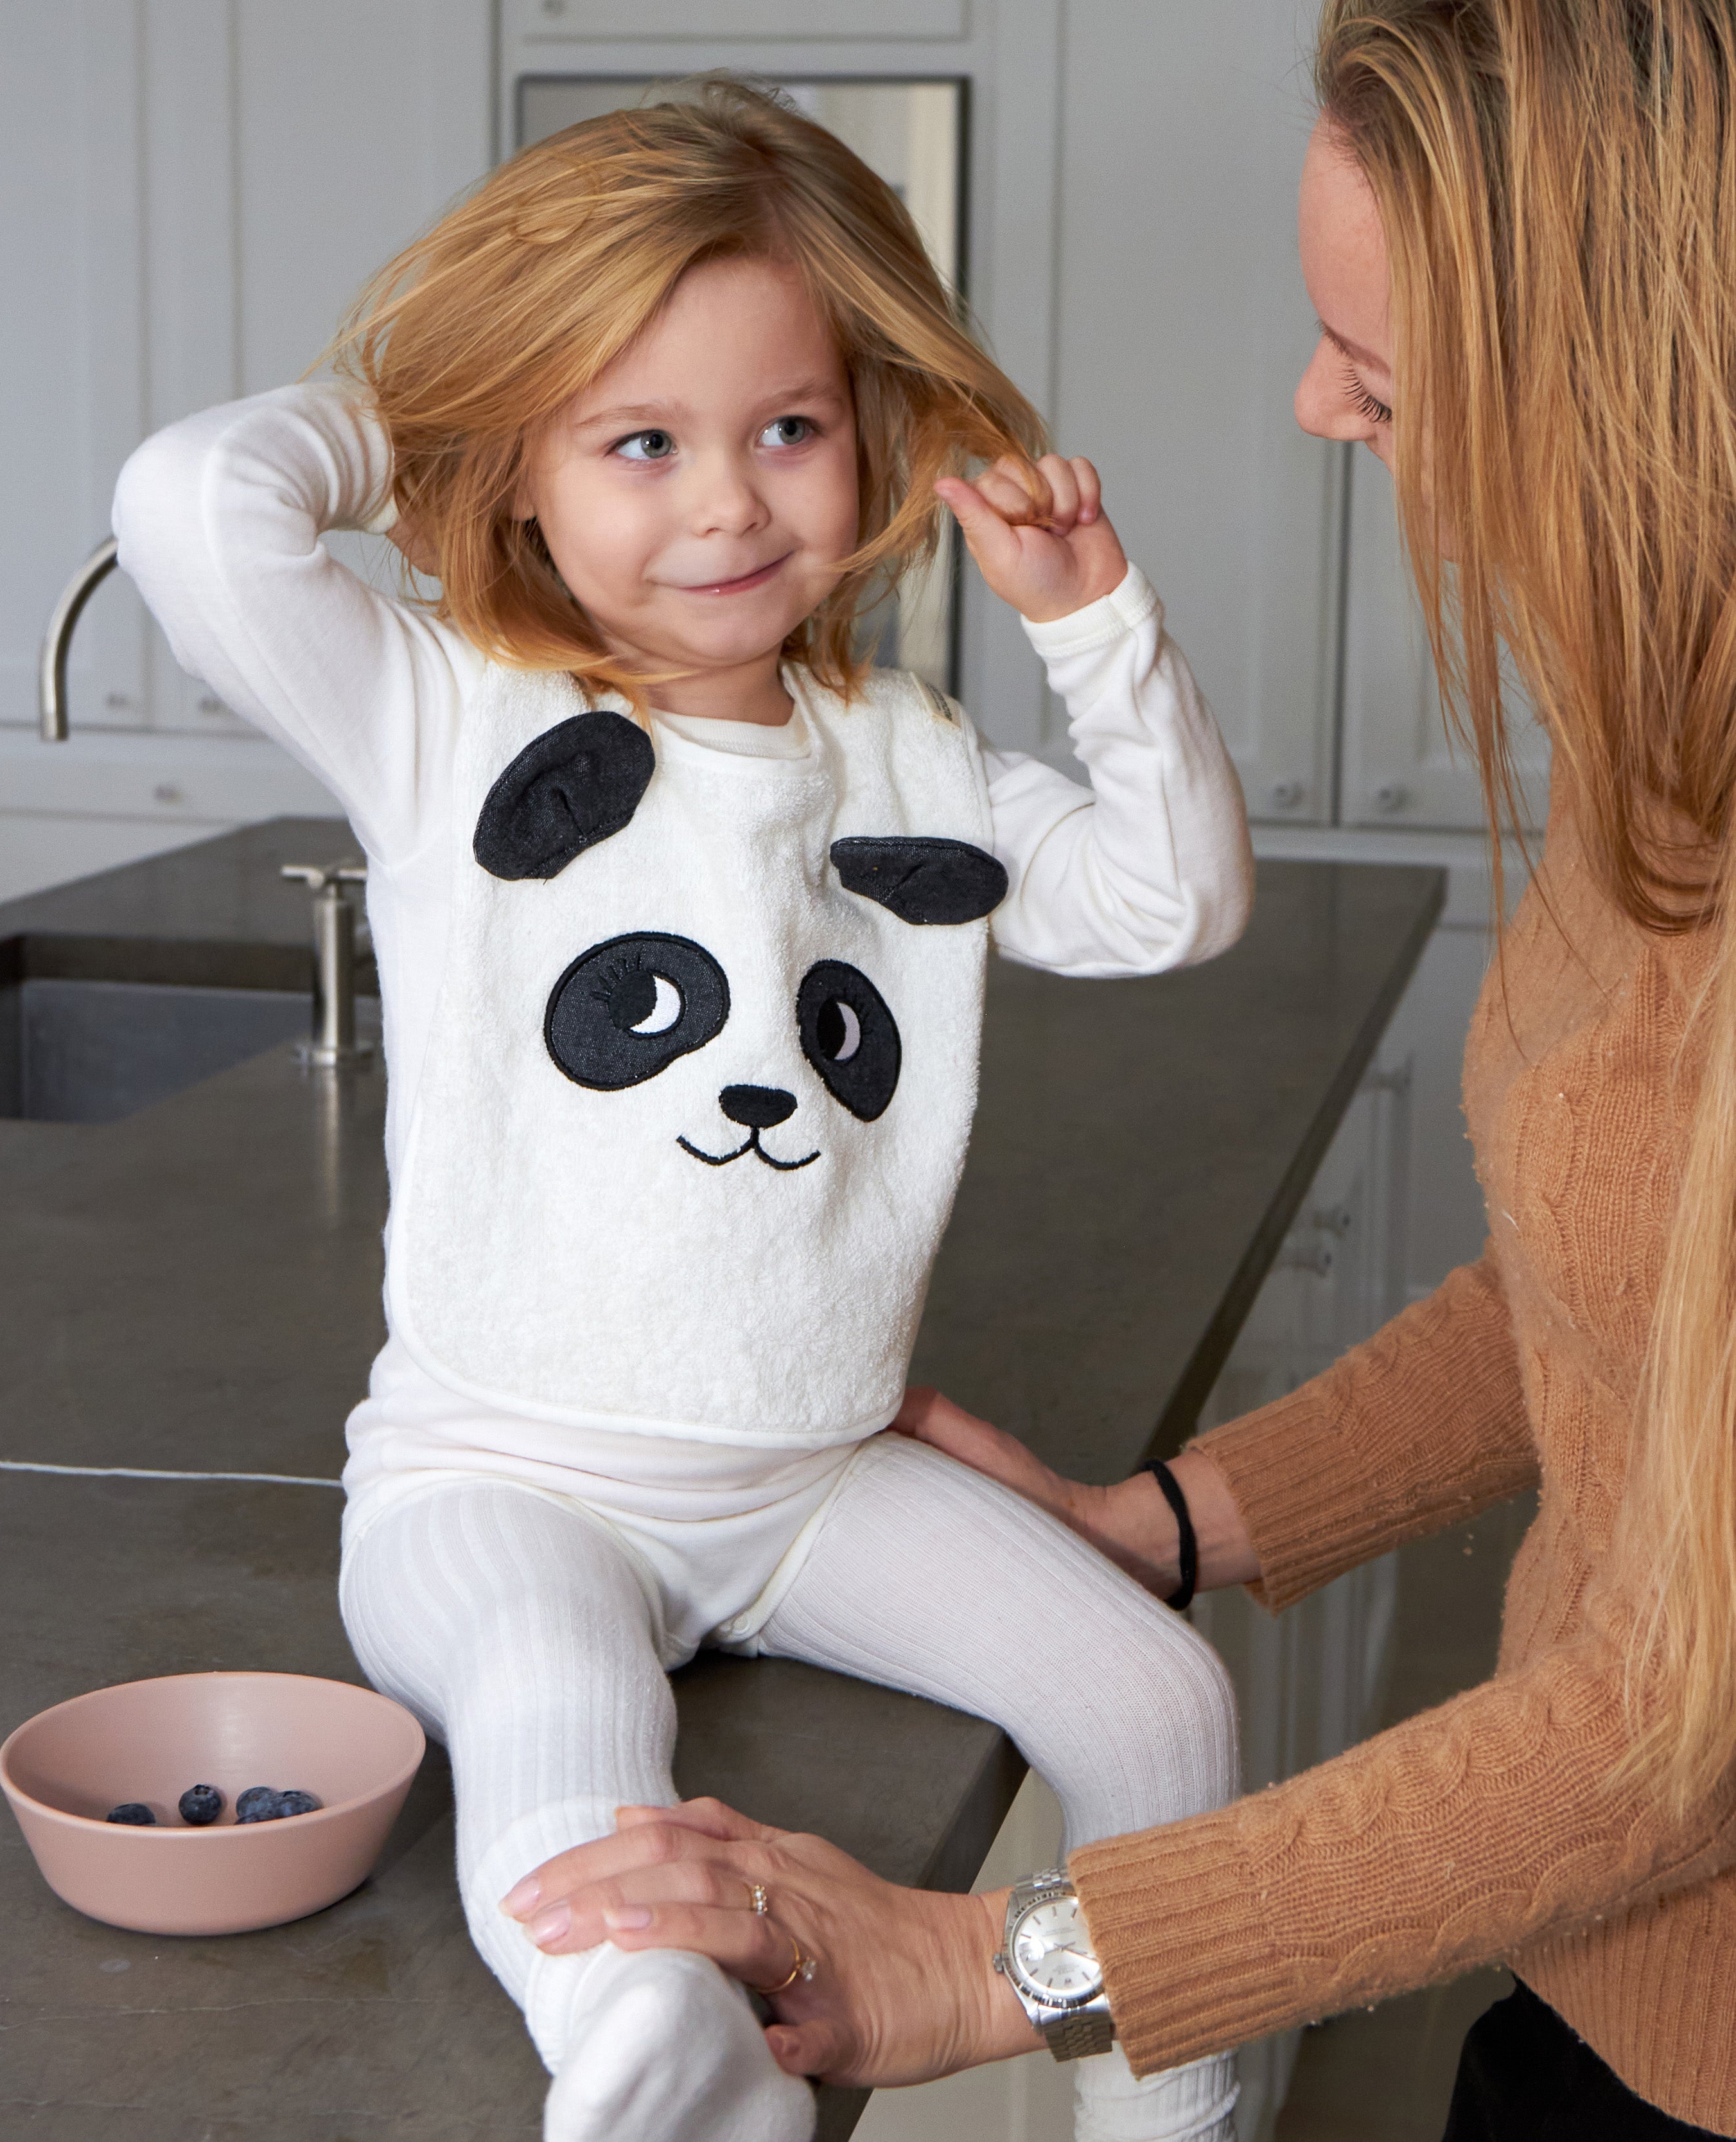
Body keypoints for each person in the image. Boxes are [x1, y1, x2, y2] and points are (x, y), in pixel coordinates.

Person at [505, 7, 1736, 2137]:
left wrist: (1009, 1960)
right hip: (1609, 1984)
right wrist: (1169, 1523)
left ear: (1649, 381)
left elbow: (1680, 1720)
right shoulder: (1671, 771)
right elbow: (1613, 1285)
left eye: (1379, 367)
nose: (1314, 405)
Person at [111, 80, 1259, 2142]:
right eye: (638, 439)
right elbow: (197, 503)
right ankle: (650, 2059)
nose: (727, 505)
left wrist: (1093, 627)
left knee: (1165, 1696)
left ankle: (1171, 2119)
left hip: (810, 1476)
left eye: (784, 429)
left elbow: (1169, 907)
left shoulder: (905, 763)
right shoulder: (449, 709)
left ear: (868, 430)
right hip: (501, 1480)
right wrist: (438, 399)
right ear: (523, 466)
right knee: (574, 1729)